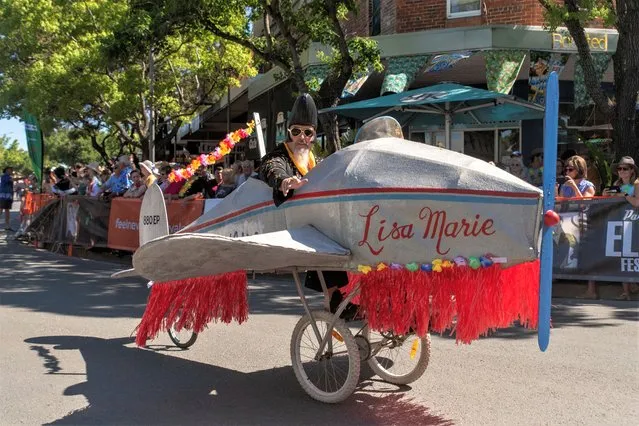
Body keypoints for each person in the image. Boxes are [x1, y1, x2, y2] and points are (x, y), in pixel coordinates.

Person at [259, 93, 355, 318]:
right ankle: (333, 299)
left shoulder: (318, 162)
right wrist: (284, 181)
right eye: (296, 132)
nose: (301, 137)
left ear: (313, 136)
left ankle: (337, 298)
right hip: (283, 224)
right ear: (288, 133)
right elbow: (270, 167)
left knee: (335, 236)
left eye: (308, 132)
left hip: (312, 223)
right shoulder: (279, 155)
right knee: (321, 239)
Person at [603, 156, 639, 300]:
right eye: (619, 168)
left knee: (632, 256)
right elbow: (607, 197)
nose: (622, 171)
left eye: (625, 168)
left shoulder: (636, 184)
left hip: (634, 223)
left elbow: (636, 203)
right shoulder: (617, 184)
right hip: (620, 223)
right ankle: (627, 291)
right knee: (622, 255)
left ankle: (633, 285)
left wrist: (623, 194)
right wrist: (610, 193)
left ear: (632, 171)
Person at [0, 166, 14, 231]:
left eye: (11, 170)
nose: (11, 171)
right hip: (3, 195)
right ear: (6, 170)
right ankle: (7, 225)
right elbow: (10, 180)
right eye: (10, 170)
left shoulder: (9, 177)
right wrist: (24, 177)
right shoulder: (4, 176)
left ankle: (7, 226)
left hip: (8, 196)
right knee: (1, 210)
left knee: (7, 211)